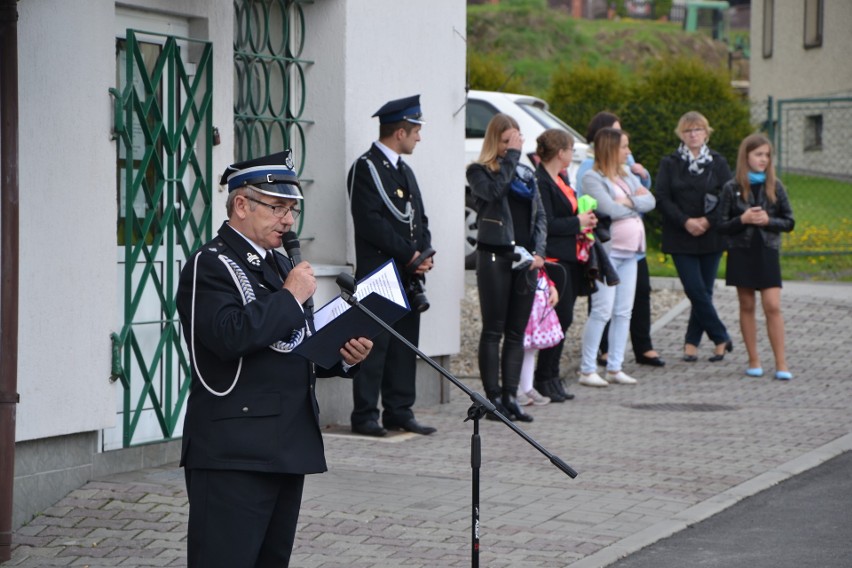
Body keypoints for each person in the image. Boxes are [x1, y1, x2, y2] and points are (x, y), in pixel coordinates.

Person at [176, 150, 373, 567]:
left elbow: (291, 345)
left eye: (292, 209)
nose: (288, 220)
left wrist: (342, 357)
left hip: (286, 443)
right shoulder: (210, 265)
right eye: (277, 206)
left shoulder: (280, 264)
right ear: (242, 205)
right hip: (234, 450)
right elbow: (229, 336)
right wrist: (289, 296)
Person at [347, 95, 436, 437]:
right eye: (416, 131)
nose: (419, 137)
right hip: (378, 273)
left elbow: (419, 218)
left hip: (407, 274)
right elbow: (369, 223)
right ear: (400, 132)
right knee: (374, 345)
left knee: (403, 346)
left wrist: (423, 254)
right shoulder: (365, 168)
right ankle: (365, 414)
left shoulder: (404, 170)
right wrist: (409, 255)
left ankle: (399, 410)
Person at [466, 113, 546, 422]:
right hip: (495, 258)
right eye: (505, 141)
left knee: (516, 333)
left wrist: (539, 253)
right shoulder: (478, 171)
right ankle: (493, 399)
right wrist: (512, 155)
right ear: (494, 141)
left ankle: (511, 396)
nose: (511, 147)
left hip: (525, 262)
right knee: (493, 329)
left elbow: (541, 216)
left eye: (515, 140)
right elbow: (495, 192)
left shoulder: (527, 174)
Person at [577, 112, 663, 368]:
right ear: (611, 148)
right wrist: (635, 205)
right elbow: (609, 210)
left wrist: (629, 202)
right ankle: (588, 367)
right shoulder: (591, 176)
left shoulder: (625, 175)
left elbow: (651, 200)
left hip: (632, 252)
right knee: (603, 310)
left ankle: (616, 366)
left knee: (624, 310)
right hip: (608, 252)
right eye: (625, 146)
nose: (629, 152)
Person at [656, 111, 734, 363]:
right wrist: (686, 221)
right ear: (681, 134)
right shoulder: (670, 163)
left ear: (706, 133)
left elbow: (728, 196)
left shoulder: (718, 163)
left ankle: (691, 343)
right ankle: (720, 335)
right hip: (680, 235)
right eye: (688, 130)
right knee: (694, 289)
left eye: (698, 129)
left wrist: (707, 221)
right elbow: (663, 197)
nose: (693, 134)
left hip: (711, 236)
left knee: (704, 291)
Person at [718, 134, 795, 380]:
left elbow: (789, 221)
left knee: (772, 305)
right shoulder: (732, 187)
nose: (763, 159)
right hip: (742, 251)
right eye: (758, 154)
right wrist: (743, 219)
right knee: (747, 304)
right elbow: (720, 224)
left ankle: (781, 363)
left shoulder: (776, 185)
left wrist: (768, 220)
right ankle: (754, 359)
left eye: (767, 155)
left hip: (768, 250)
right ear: (746, 156)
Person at [532, 129, 598, 403]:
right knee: (558, 317)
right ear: (560, 153)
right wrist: (577, 223)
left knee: (565, 318)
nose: (572, 155)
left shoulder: (560, 179)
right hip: (555, 259)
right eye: (570, 150)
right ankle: (543, 378)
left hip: (570, 256)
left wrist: (585, 221)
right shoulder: (542, 181)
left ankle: (551, 376)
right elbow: (547, 222)